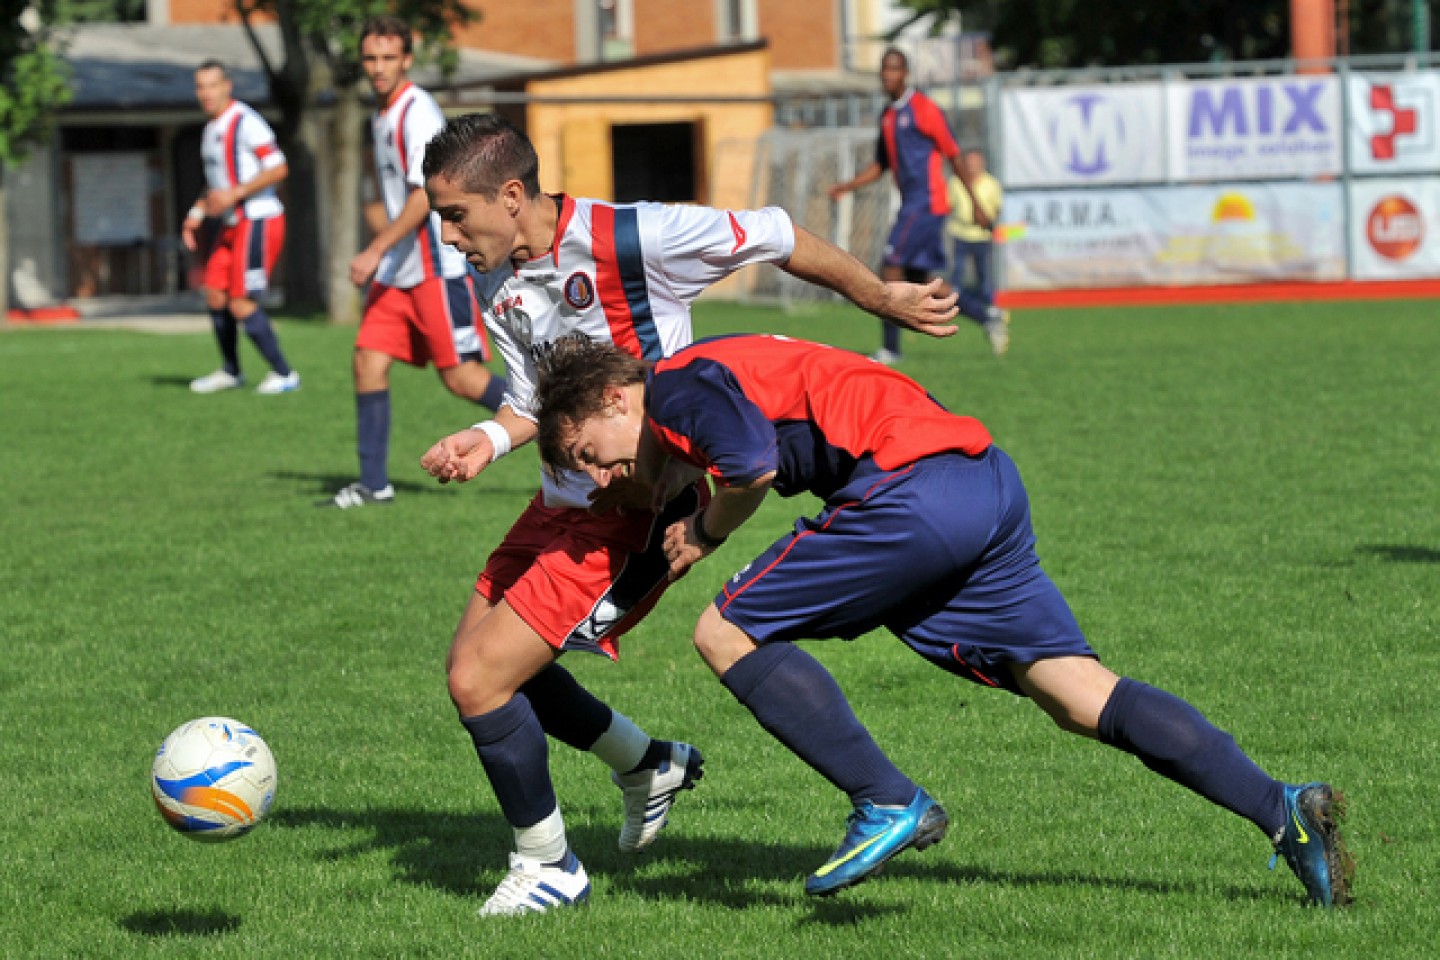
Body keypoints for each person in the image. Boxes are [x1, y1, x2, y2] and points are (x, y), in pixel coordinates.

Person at [531, 332, 1354, 908]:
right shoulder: (713, 375)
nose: (600, 474)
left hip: (910, 488)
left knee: (725, 631)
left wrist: (707, 532)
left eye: (589, 453)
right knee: (1075, 694)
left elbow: (750, 463)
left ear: (614, 396)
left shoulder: (676, 386)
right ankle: (1281, 810)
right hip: (982, 479)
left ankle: (885, 799)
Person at [414, 113, 963, 916]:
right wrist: (487, 438)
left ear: (509, 194)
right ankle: (646, 763)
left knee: (481, 681)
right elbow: (534, 396)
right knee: (478, 669)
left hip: (632, 510)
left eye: (455, 215)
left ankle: (548, 867)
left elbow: (775, 233)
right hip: (555, 499)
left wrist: (878, 296)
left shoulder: (633, 239)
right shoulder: (495, 272)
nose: (449, 235)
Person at [320, 17, 508, 509]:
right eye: (370, 58)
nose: (377, 68)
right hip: (399, 271)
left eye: (387, 58)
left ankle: (565, 422)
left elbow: (426, 197)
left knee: (463, 380)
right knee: (367, 362)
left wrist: (375, 247)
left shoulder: (416, 112)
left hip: (432, 267)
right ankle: (374, 484)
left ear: (406, 59)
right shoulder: (381, 114)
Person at [828, 47, 1009, 362]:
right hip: (912, 205)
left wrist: (977, 204)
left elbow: (953, 153)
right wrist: (847, 186)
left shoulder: (924, 109)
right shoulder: (888, 116)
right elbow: (880, 166)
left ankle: (891, 349)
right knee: (924, 282)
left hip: (926, 204)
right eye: (884, 69)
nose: (888, 75)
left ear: (906, 73)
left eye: (894, 69)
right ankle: (987, 317)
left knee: (890, 269)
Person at [182, 60, 300, 395]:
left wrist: (236, 193)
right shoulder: (211, 130)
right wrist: (197, 211)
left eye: (212, 85)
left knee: (242, 303)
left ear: (226, 86)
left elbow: (278, 168)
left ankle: (284, 373)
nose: (206, 93)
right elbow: (216, 184)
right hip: (233, 222)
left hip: (259, 218)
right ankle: (231, 371)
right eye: (200, 86)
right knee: (215, 294)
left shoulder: (245, 121)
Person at [947, 149, 1006, 337]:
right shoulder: (956, 182)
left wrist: (986, 220)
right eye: (968, 162)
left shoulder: (991, 183)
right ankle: (952, 306)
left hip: (981, 235)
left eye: (974, 162)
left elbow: (997, 208)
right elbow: (948, 204)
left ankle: (988, 308)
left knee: (984, 276)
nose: (971, 166)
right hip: (960, 233)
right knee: (957, 275)